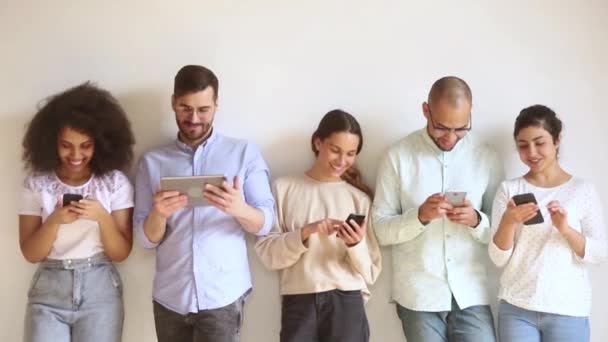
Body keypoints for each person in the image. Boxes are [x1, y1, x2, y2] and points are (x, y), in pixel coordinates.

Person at [133, 64, 275, 342]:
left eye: (203, 109)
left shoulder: (244, 153)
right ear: (173, 103)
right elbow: (144, 239)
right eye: (185, 108)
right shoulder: (152, 162)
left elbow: (265, 223)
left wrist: (238, 208)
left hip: (223, 295)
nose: (194, 118)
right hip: (170, 297)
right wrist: (158, 214)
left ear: (216, 105)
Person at [371, 76, 502, 342]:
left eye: (461, 129)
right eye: (441, 127)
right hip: (418, 295)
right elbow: (380, 231)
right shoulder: (397, 156)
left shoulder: (486, 157)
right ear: (425, 111)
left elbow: (501, 234)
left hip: (471, 292)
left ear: (471, 113)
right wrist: (419, 217)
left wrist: (477, 220)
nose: (451, 137)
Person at [18, 82, 135, 342]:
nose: (76, 154)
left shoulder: (115, 184)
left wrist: (102, 217)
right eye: (66, 145)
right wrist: (53, 221)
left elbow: (121, 253)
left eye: (85, 145)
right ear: (51, 142)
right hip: (48, 293)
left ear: (100, 143)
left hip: (100, 292)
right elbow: (30, 253)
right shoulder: (36, 184)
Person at [255, 109, 382, 342]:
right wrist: (305, 233)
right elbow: (267, 254)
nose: (342, 161)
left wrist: (354, 244)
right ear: (317, 142)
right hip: (299, 301)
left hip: (347, 300)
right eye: (335, 150)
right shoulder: (283, 189)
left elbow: (371, 271)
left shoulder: (359, 199)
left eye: (351, 153)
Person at [489, 104, 607, 342]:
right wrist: (508, 222)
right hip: (516, 308)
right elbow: (497, 258)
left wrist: (565, 229)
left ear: (557, 140)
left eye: (539, 142)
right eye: (523, 145)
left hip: (568, 310)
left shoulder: (582, 190)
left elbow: (601, 252)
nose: (531, 152)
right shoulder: (510, 190)